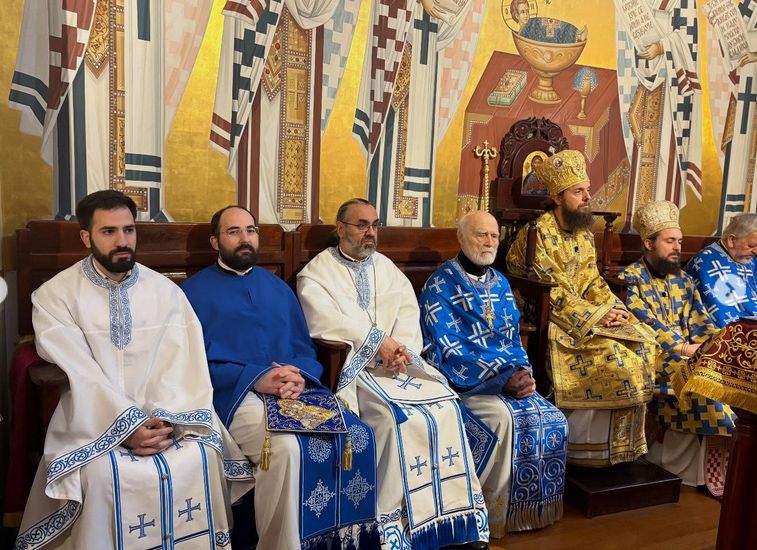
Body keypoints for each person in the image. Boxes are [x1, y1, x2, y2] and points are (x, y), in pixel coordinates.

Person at [15, 190, 252, 549]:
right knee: (99, 474)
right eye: (108, 231)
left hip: (165, 418)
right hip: (92, 421)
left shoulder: (166, 292)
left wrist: (165, 421)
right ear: (86, 237)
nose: (122, 241)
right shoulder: (55, 296)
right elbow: (81, 373)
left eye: (129, 230)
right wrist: (126, 427)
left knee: (202, 456)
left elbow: (183, 365)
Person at [181, 206, 380, 550]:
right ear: (215, 242)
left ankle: (341, 544)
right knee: (286, 448)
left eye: (251, 230)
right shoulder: (192, 293)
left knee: (359, 435)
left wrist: (299, 375)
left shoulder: (277, 287)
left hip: (294, 390)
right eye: (233, 232)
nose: (245, 238)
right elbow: (190, 364)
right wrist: (256, 378)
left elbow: (304, 348)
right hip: (236, 394)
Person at [297, 199, 489, 550]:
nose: (370, 232)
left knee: (447, 406)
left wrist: (399, 351)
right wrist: (377, 345)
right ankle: (391, 526)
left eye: (375, 225)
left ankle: (454, 519)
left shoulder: (386, 268)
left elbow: (408, 313)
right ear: (340, 229)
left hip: (399, 366)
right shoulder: (316, 273)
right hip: (356, 371)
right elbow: (323, 321)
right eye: (361, 225)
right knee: (392, 419)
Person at [506, 149, 658, 467]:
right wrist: (598, 315)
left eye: (587, 190)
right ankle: (584, 450)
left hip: (590, 315)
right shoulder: (538, 234)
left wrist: (615, 309)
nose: (588, 197)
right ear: (557, 197)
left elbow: (592, 282)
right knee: (616, 357)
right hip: (556, 320)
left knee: (642, 338)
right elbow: (553, 292)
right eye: (579, 191)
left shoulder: (584, 235)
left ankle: (620, 451)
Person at [419, 210, 567, 536]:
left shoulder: (500, 282)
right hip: (467, 384)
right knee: (503, 418)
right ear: (461, 237)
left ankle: (528, 514)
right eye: (480, 234)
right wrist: (501, 379)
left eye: (494, 236)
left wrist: (523, 373)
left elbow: (513, 338)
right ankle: (489, 514)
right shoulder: (440, 285)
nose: (488, 242)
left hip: (508, 379)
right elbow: (447, 349)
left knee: (554, 418)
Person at [618, 201, 734, 492]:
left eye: (680, 241)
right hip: (655, 356)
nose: (677, 247)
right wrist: (683, 349)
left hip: (689, 352)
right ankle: (703, 475)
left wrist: (714, 346)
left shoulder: (684, 279)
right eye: (670, 241)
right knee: (701, 382)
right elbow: (642, 323)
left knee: (726, 371)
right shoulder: (630, 279)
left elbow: (701, 320)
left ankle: (715, 471)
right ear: (649, 243)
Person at [686, 213, 757, 327]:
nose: (756, 252)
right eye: (751, 245)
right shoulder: (706, 262)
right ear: (731, 240)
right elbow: (724, 311)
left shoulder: (750, 259)